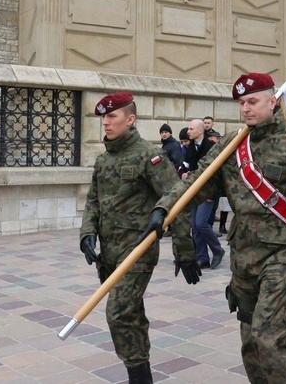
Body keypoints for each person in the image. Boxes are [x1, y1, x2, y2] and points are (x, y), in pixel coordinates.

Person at [140, 72, 286, 383]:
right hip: (242, 258)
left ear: (273, 101)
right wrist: (164, 208)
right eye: (242, 102)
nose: (246, 108)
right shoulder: (231, 145)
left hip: (280, 259)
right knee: (250, 346)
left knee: (269, 339)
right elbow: (197, 183)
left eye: (253, 101)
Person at [79, 91, 200, 384]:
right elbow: (93, 200)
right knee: (130, 314)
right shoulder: (104, 159)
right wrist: (87, 232)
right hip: (108, 252)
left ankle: (138, 377)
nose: (105, 123)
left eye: (112, 117)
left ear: (130, 119)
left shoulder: (150, 156)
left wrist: (185, 252)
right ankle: (141, 373)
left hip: (137, 251)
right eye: (104, 117)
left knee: (118, 313)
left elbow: (176, 201)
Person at [184, 119, 225, 269]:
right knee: (195, 225)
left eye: (190, 129)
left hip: (208, 192)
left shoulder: (211, 147)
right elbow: (186, 165)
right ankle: (202, 257)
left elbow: (217, 173)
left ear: (200, 131)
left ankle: (217, 249)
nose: (188, 131)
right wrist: (184, 173)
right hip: (194, 191)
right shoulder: (191, 147)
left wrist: (211, 193)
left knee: (201, 223)